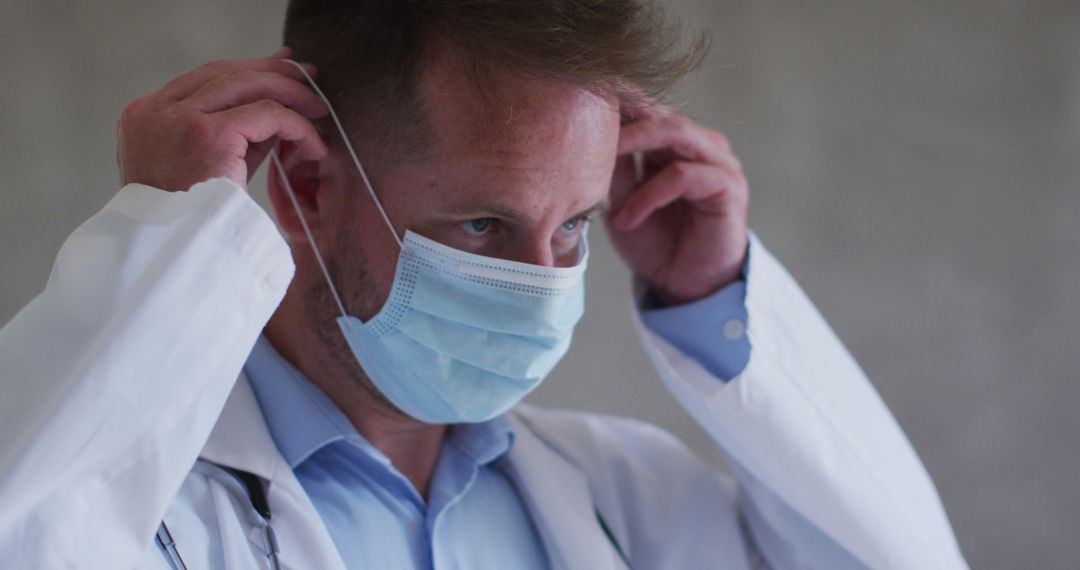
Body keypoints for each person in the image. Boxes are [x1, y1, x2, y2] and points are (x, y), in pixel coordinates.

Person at [0, 0, 968, 568]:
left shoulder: (626, 497)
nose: (542, 285)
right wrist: (165, 248)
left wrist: (712, 298)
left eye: (572, 226)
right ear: (306, 187)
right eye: (482, 224)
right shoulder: (149, 504)